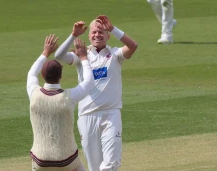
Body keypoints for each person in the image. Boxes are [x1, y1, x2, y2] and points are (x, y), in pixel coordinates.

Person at [55, 16, 138, 171]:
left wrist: (113, 28)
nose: (97, 35)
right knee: (94, 166)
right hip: (87, 115)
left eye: (102, 32)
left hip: (111, 115)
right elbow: (59, 56)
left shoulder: (115, 54)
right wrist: (73, 35)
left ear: (108, 36)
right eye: (94, 32)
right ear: (88, 35)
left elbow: (133, 46)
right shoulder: (81, 55)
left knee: (110, 164)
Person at [26, 34, 94, 171]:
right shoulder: (69, 97)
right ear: (61, 76)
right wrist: (84, 58)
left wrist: (45, 53)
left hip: (40, 162)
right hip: (67, 161)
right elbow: (89, 82)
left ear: (43, 75)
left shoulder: (33, 93)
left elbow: (31, 74)